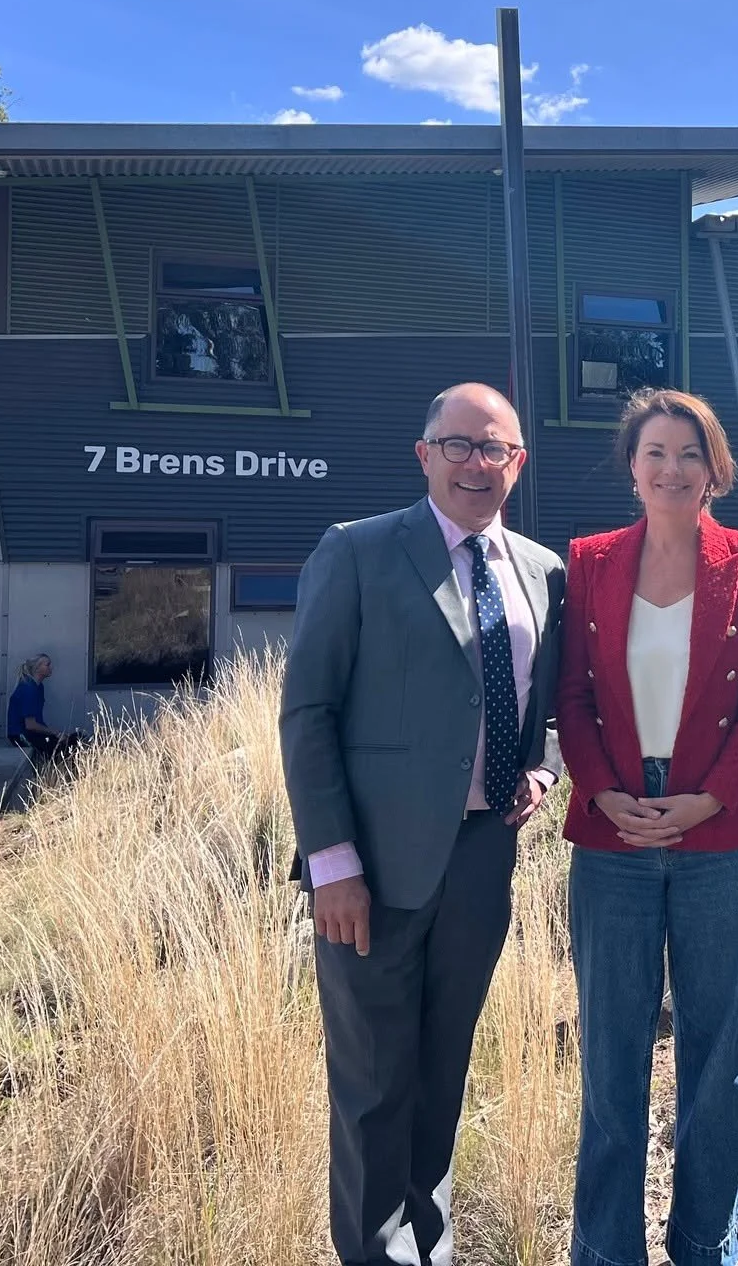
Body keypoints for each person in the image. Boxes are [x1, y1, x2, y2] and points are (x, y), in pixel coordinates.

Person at [280, 381, 566, 1266]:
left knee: (443, 1075)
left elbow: (544, 711)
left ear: (518, 462)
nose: (477, 465)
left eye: (497, 450)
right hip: (371, 873)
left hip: (482, 864)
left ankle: (426, 1251)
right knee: (373, 1089)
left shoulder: (541, 571)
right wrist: (332, 864)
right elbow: (309, 712)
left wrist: (542, 770)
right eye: (460, 446)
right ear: (424, 453)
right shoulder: (358, 552)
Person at [557, 388, 738, 1266]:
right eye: (656, 451)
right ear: (633, 466)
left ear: (714, 468)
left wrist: (710, 800)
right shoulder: (587, 563)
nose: (673, 468)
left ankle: (708, 1247)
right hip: (612, 830)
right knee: (611, 1066)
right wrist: (604, 791)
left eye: (690, 453)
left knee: (714, 1062)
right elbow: (571, 696)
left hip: (719, 836)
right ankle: (607, 1252)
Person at [6, 654, 80, 761]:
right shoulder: (28, 688)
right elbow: (30, 725)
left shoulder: (38, 687)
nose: (51, 668)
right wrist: (56, 733)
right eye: (47, 665)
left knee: (73, 739)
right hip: (21, 735)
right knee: (60, 745)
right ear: (37, 668)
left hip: (31, 733)